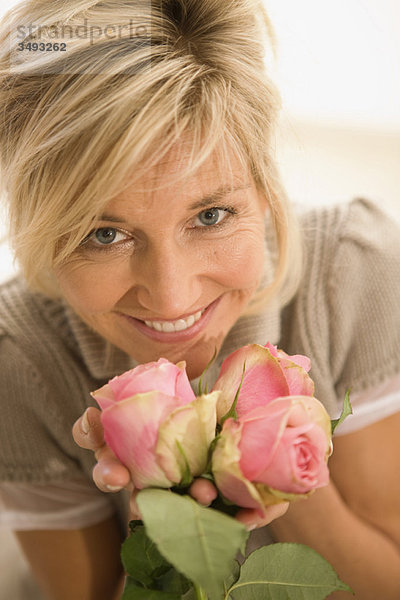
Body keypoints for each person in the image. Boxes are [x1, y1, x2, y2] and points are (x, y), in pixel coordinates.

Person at [0, 0, 399, 599]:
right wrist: (165, 527)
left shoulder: (354, 275)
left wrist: (268, 466)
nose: (171, 294)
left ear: (267, 191)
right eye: (103, 234)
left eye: (211, 215)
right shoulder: (21, 362)